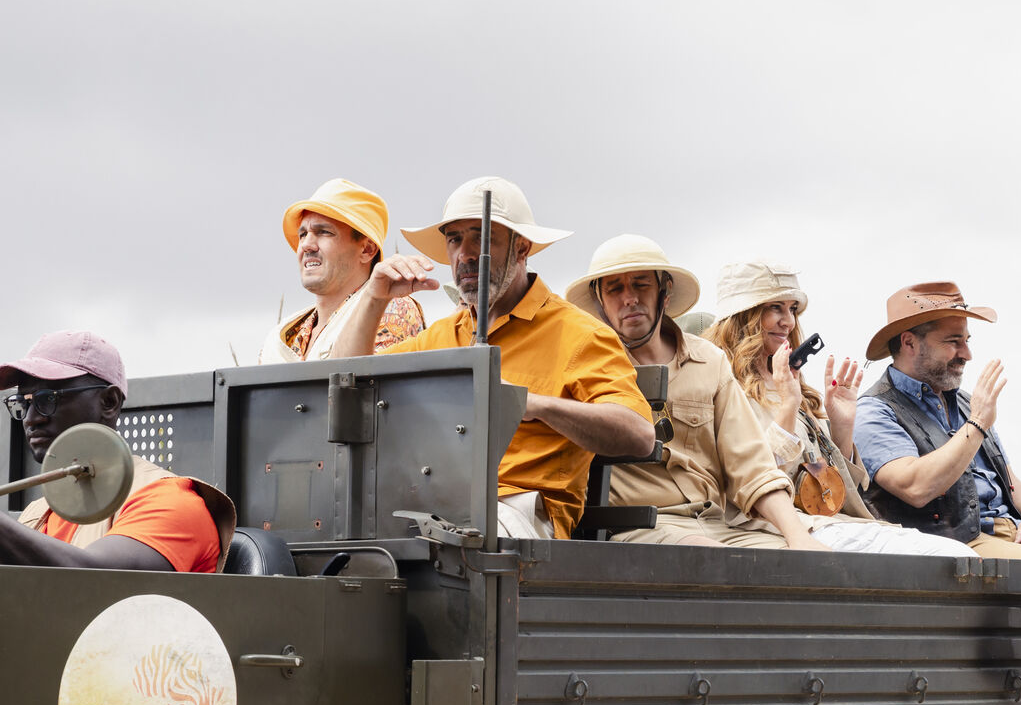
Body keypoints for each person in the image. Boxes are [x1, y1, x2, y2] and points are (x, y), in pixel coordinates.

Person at [327, 176, 656, 540]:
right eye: (454, 239)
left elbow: (639, 434)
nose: (465, 254)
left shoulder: (578, 334)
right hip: (425, 510)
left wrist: (531, 404)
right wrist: (375, 296)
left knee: (448, 541)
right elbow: (343, 380)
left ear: (521, 248)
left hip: (516, 514)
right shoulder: (441, 336)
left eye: (483, 237)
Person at [564, 235, 825, 551]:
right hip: (640, 529)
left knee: (807, 565)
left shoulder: (709, 362)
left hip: (717, 525)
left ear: (665, 292)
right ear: (600, 302)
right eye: (615, 289)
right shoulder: (586, 366)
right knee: (725, 563)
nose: (629, 298)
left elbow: (753, 467)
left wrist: (797, 538)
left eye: (641, 285)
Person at [702, 262, 976, 556]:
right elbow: (755, 479)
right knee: (950, 557)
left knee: (950, 555)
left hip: (831, 521)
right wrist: (788, 406)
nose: (789, 322)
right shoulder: (723, 386)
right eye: (776, 308)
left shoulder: (791, 383)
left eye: (793, 309)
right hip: (775, 527)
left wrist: (841, 428)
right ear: (744, 316)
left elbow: (831, 484)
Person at [854, 281, 1021, 561]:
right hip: (957, 541)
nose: (967, 355)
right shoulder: (875, 411)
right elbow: (915, 488)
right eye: (953, 342)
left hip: (1013, 532)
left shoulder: (968, 402)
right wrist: (978, 423)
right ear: (909, 342)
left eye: (966, 341)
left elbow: (1009, 479)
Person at [0, 331, 235, 571]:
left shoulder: (169, 500)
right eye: (23, 402)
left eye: (47, 399)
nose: (30, 419)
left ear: (109, 402)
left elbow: (101, 584)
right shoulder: (38, 513)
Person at [259, 178, 423, 363]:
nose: (306, 245)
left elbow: (367, 383)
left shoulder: (391, 307)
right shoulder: (282, 335)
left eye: (324, 232)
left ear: (367, 249)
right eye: (303, 234)